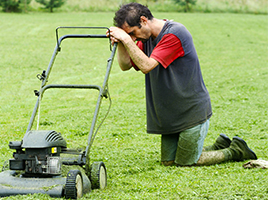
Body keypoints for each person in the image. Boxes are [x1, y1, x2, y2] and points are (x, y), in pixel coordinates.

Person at [106, 3, 257, 166]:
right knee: (169, 162)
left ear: (143, 20)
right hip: (172, 115)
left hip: (191, 113)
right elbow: (125, 65)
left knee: (187, 162)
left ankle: (235, 151)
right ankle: (218, 145)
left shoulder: (174, 33)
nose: (133, 38)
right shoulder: (146, 38)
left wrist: (126, 39)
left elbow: (146, 66)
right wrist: (121, 42)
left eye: (133, 33)